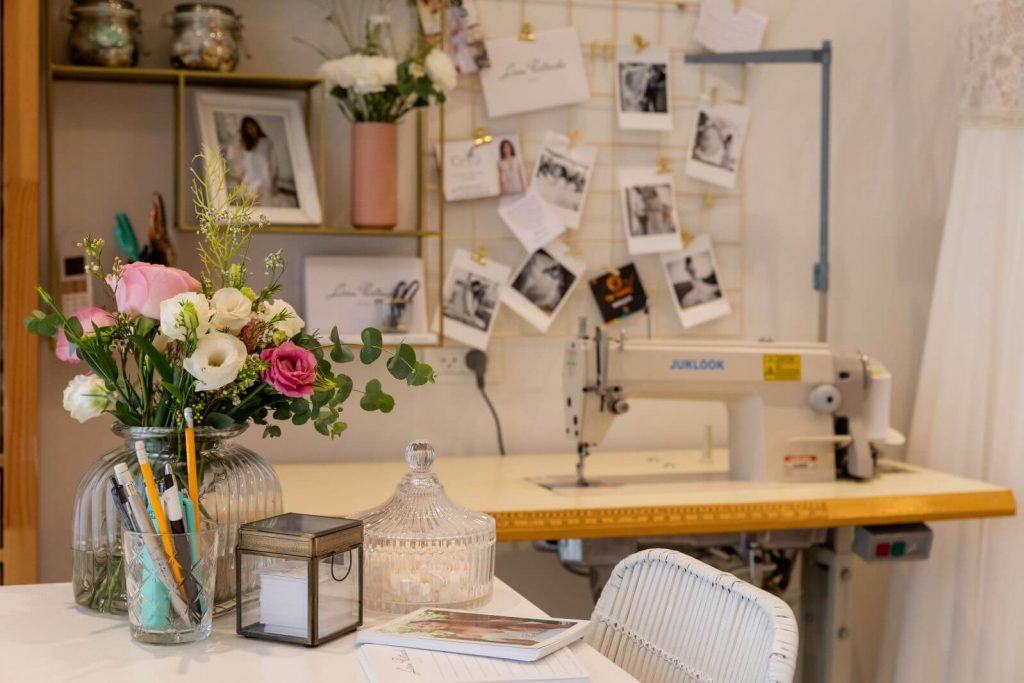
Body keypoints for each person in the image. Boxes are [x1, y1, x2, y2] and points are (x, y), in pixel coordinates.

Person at [226, 116, 281, 206]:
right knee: (245, 207)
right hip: (248, 181)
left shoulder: (266, 142)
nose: (250, 129)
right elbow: (234, 158)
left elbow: (274, 163)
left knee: (263, 207)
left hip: (264, 182)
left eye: (252, 126)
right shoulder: (245, 144)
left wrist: (274, 182)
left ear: (256, 126)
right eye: (247, 128)